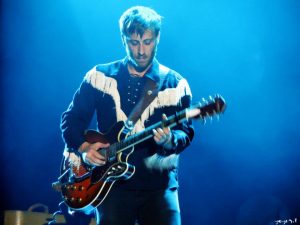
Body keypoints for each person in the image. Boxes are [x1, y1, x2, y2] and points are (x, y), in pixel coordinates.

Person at [60, 6, 194, 225]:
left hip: (159, 187)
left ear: (158, 38)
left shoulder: (175, 84)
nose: (141, 51)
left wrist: (171, 140)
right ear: (124, 40)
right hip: (111, 186)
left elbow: (185, 131)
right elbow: (71, 119)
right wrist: (84, 149)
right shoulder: (99, 77)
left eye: (147, 42)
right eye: (134, 42)